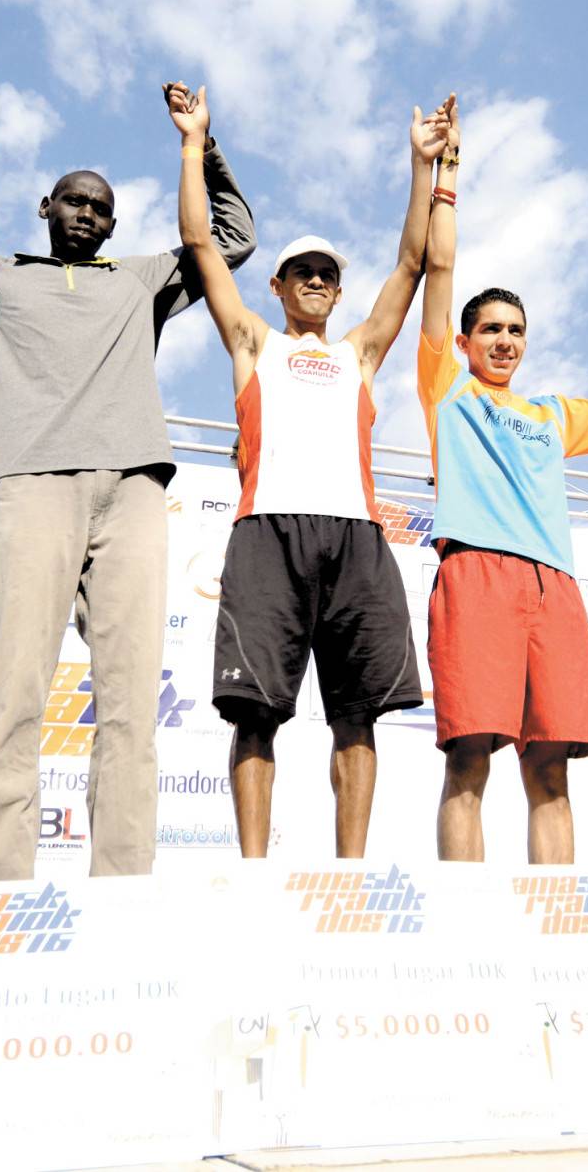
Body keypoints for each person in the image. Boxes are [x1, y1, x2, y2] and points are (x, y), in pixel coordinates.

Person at [0, 87, 255, 880]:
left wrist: (202, 147)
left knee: (131, 706)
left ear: (112, 226)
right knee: (13, 696)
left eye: (100, 209)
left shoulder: (139, 280)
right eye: (73, 200)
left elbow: (232, 239)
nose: (86, 214)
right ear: (44, 206)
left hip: (134, 491)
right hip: (33, 485)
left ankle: (123, 888)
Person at [170, 84, 442, 857]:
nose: (317, 280)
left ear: (338, 288)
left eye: (327, 272)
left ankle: (349, 871)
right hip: (268, 534)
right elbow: (199, 242)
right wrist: (193, 144)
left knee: (357, 715)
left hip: (356, 538)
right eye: (302, 271)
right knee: (255, 713)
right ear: (279, 285)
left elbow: (414, 262)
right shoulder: (254, 343)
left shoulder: (360, 353)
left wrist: (422, 166)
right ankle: (255, 870)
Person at [416, 102, 588, 862]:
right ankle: (468, 914)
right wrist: (447, 175)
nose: (505, 340)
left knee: (551, 772)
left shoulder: (550, 413)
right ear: (463, 341)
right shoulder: (447, 388)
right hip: (476, 574)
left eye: (516, 330)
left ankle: (553, 923)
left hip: (553, 587)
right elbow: (440, 269)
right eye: (491, 329)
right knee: (470, 759)